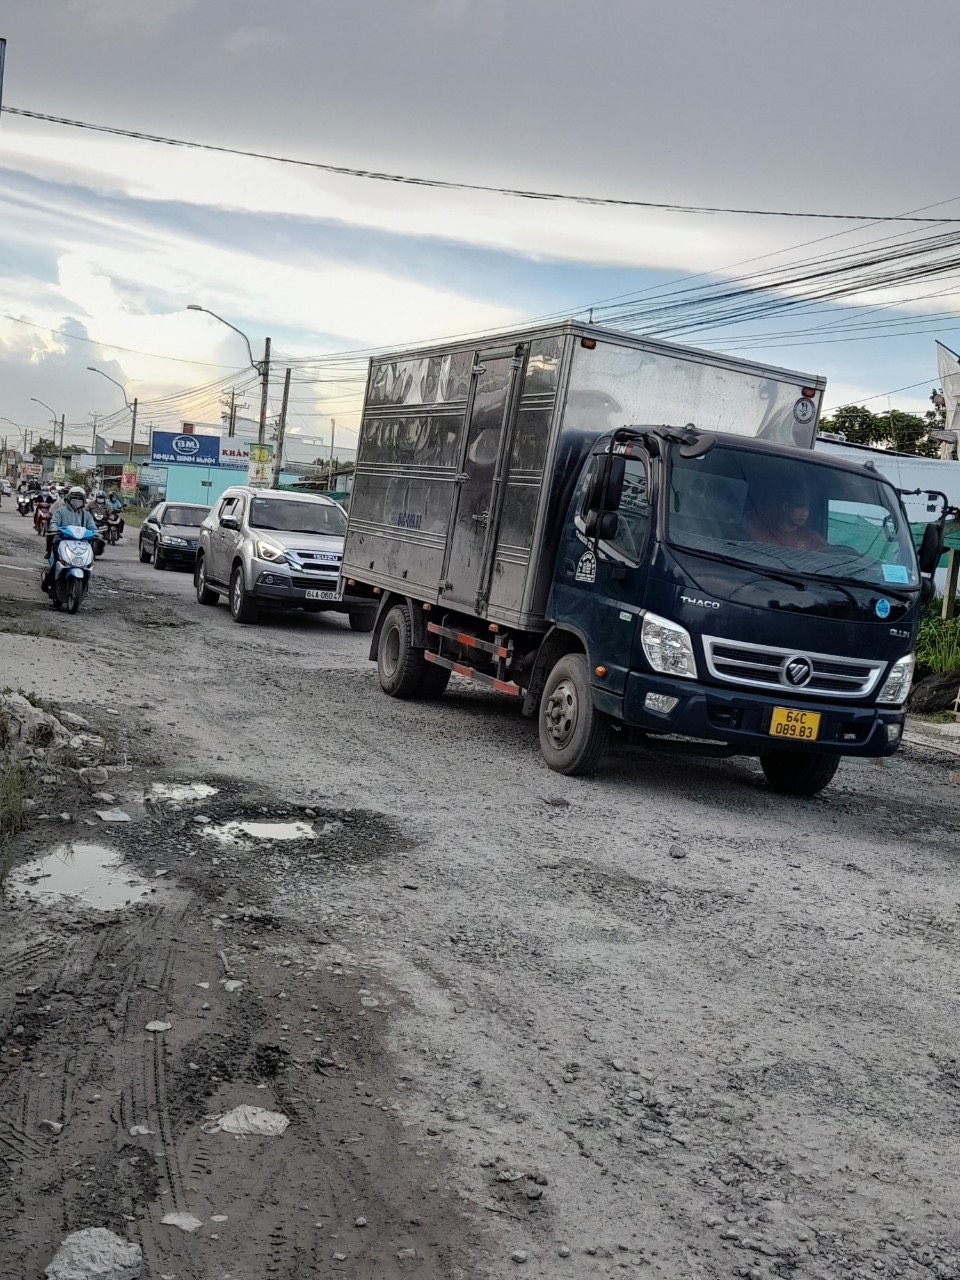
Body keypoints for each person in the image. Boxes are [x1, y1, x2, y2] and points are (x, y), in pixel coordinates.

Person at [43, 486, 98, 597]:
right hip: (61, 541)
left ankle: (84, 587)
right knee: (57, 564)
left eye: (79, 499)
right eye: (74, 498)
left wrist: (96, 532)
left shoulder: (86, 515)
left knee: (88, 563)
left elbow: (93, 527)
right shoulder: (60, 511)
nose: (77, 501)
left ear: (83, 500)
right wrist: (54, 527)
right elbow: (54, 522)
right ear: (69, 498)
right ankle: (51, 585)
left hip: (81, 544)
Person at [751, 489, 826, 551]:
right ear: (785, 507)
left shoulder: (812, 537)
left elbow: (828, 554)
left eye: (807, 509)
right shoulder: (763, 532)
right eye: (800, 507)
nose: (804, 513)